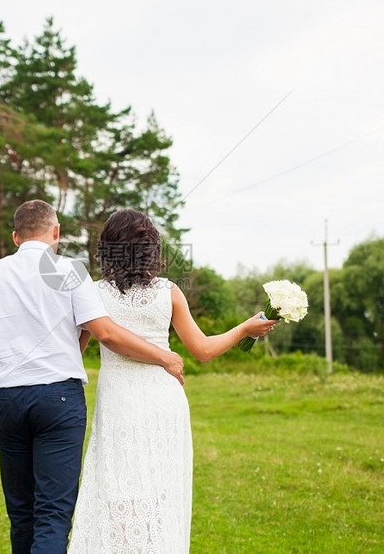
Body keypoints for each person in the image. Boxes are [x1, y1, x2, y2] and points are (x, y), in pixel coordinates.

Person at [0, 200, 184, 554]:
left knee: (21, 513)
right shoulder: (70, 271)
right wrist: (165, 358)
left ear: (16, 237)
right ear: (56, 232)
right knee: (53, 513)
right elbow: (104, 333)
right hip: (58, 400)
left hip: (7, 400)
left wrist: (7, 339)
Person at [67, 209, 277, 553]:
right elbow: (204, 350)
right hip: (163, 398)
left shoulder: (92, 293)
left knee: (117, 483)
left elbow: (73, 352)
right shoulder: (170, 291)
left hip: (119, 399)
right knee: (159, 487)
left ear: (107, 249)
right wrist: (243, 329)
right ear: (152, 250)